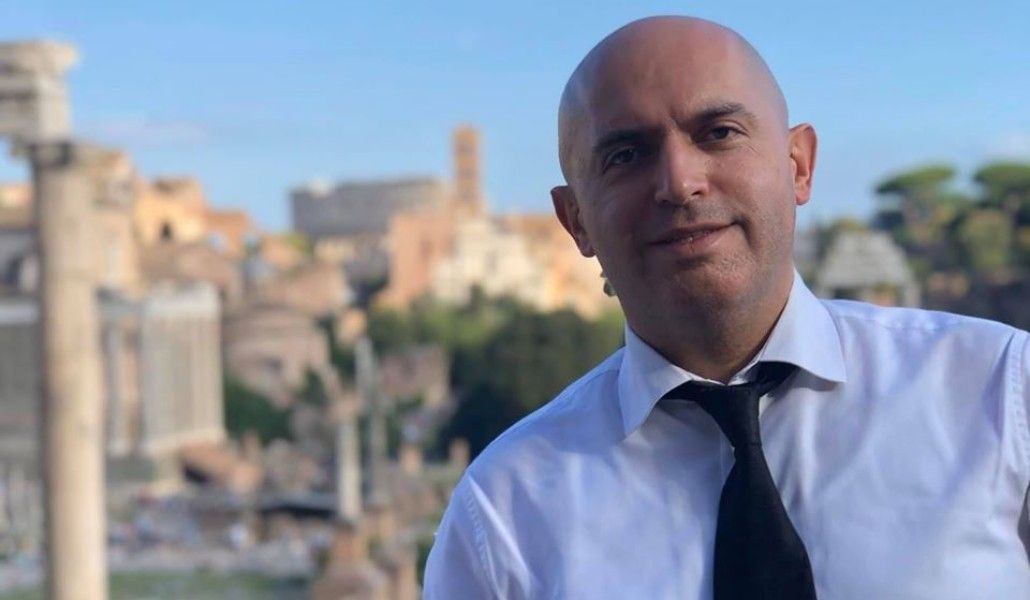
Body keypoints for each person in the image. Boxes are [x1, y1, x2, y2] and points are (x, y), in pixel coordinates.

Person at [422, 15, 1030, 599]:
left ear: (799, 165)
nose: (679, 182)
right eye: (626, 155)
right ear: (575, 220)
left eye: (719, 133)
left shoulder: (999, 391)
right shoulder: (503, 517)